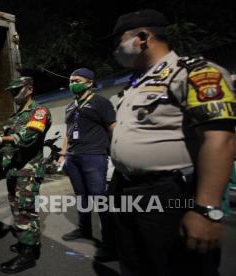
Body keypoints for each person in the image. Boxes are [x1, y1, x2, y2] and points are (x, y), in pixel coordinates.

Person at [109, 9, 236, 276]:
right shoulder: (135, 84)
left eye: (119, 40)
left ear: (143, 37)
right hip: (126, 190)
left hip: (169, 193)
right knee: (135, 264)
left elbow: (220, 139)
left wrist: (206, 210)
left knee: (178, 268)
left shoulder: (193, 73)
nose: (116, 50)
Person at [0, 77, 51, 274]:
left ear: (29, 89)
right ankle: (26, 243)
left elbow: (29, 136)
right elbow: (8, 141)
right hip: (14, 170)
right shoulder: (16, 115)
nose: (14, 95)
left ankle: (28, 255)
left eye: (17, 91)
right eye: (11, 92)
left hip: (28, 170)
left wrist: (3, 138)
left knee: (26, 211)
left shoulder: (39, 111)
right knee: (17, 210)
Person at [58, 68, 117, 254]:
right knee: (81, 197)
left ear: (89, 83)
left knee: (99, 199)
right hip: (73, 157)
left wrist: (117, 153)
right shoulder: (70, 106)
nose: (72, 83)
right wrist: (63, 153)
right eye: (70, 80)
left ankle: (110, 243)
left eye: (76, 80)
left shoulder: (100, 103)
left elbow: (113, 128)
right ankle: (84, 230)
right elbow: (68, 132)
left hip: (94, 156)